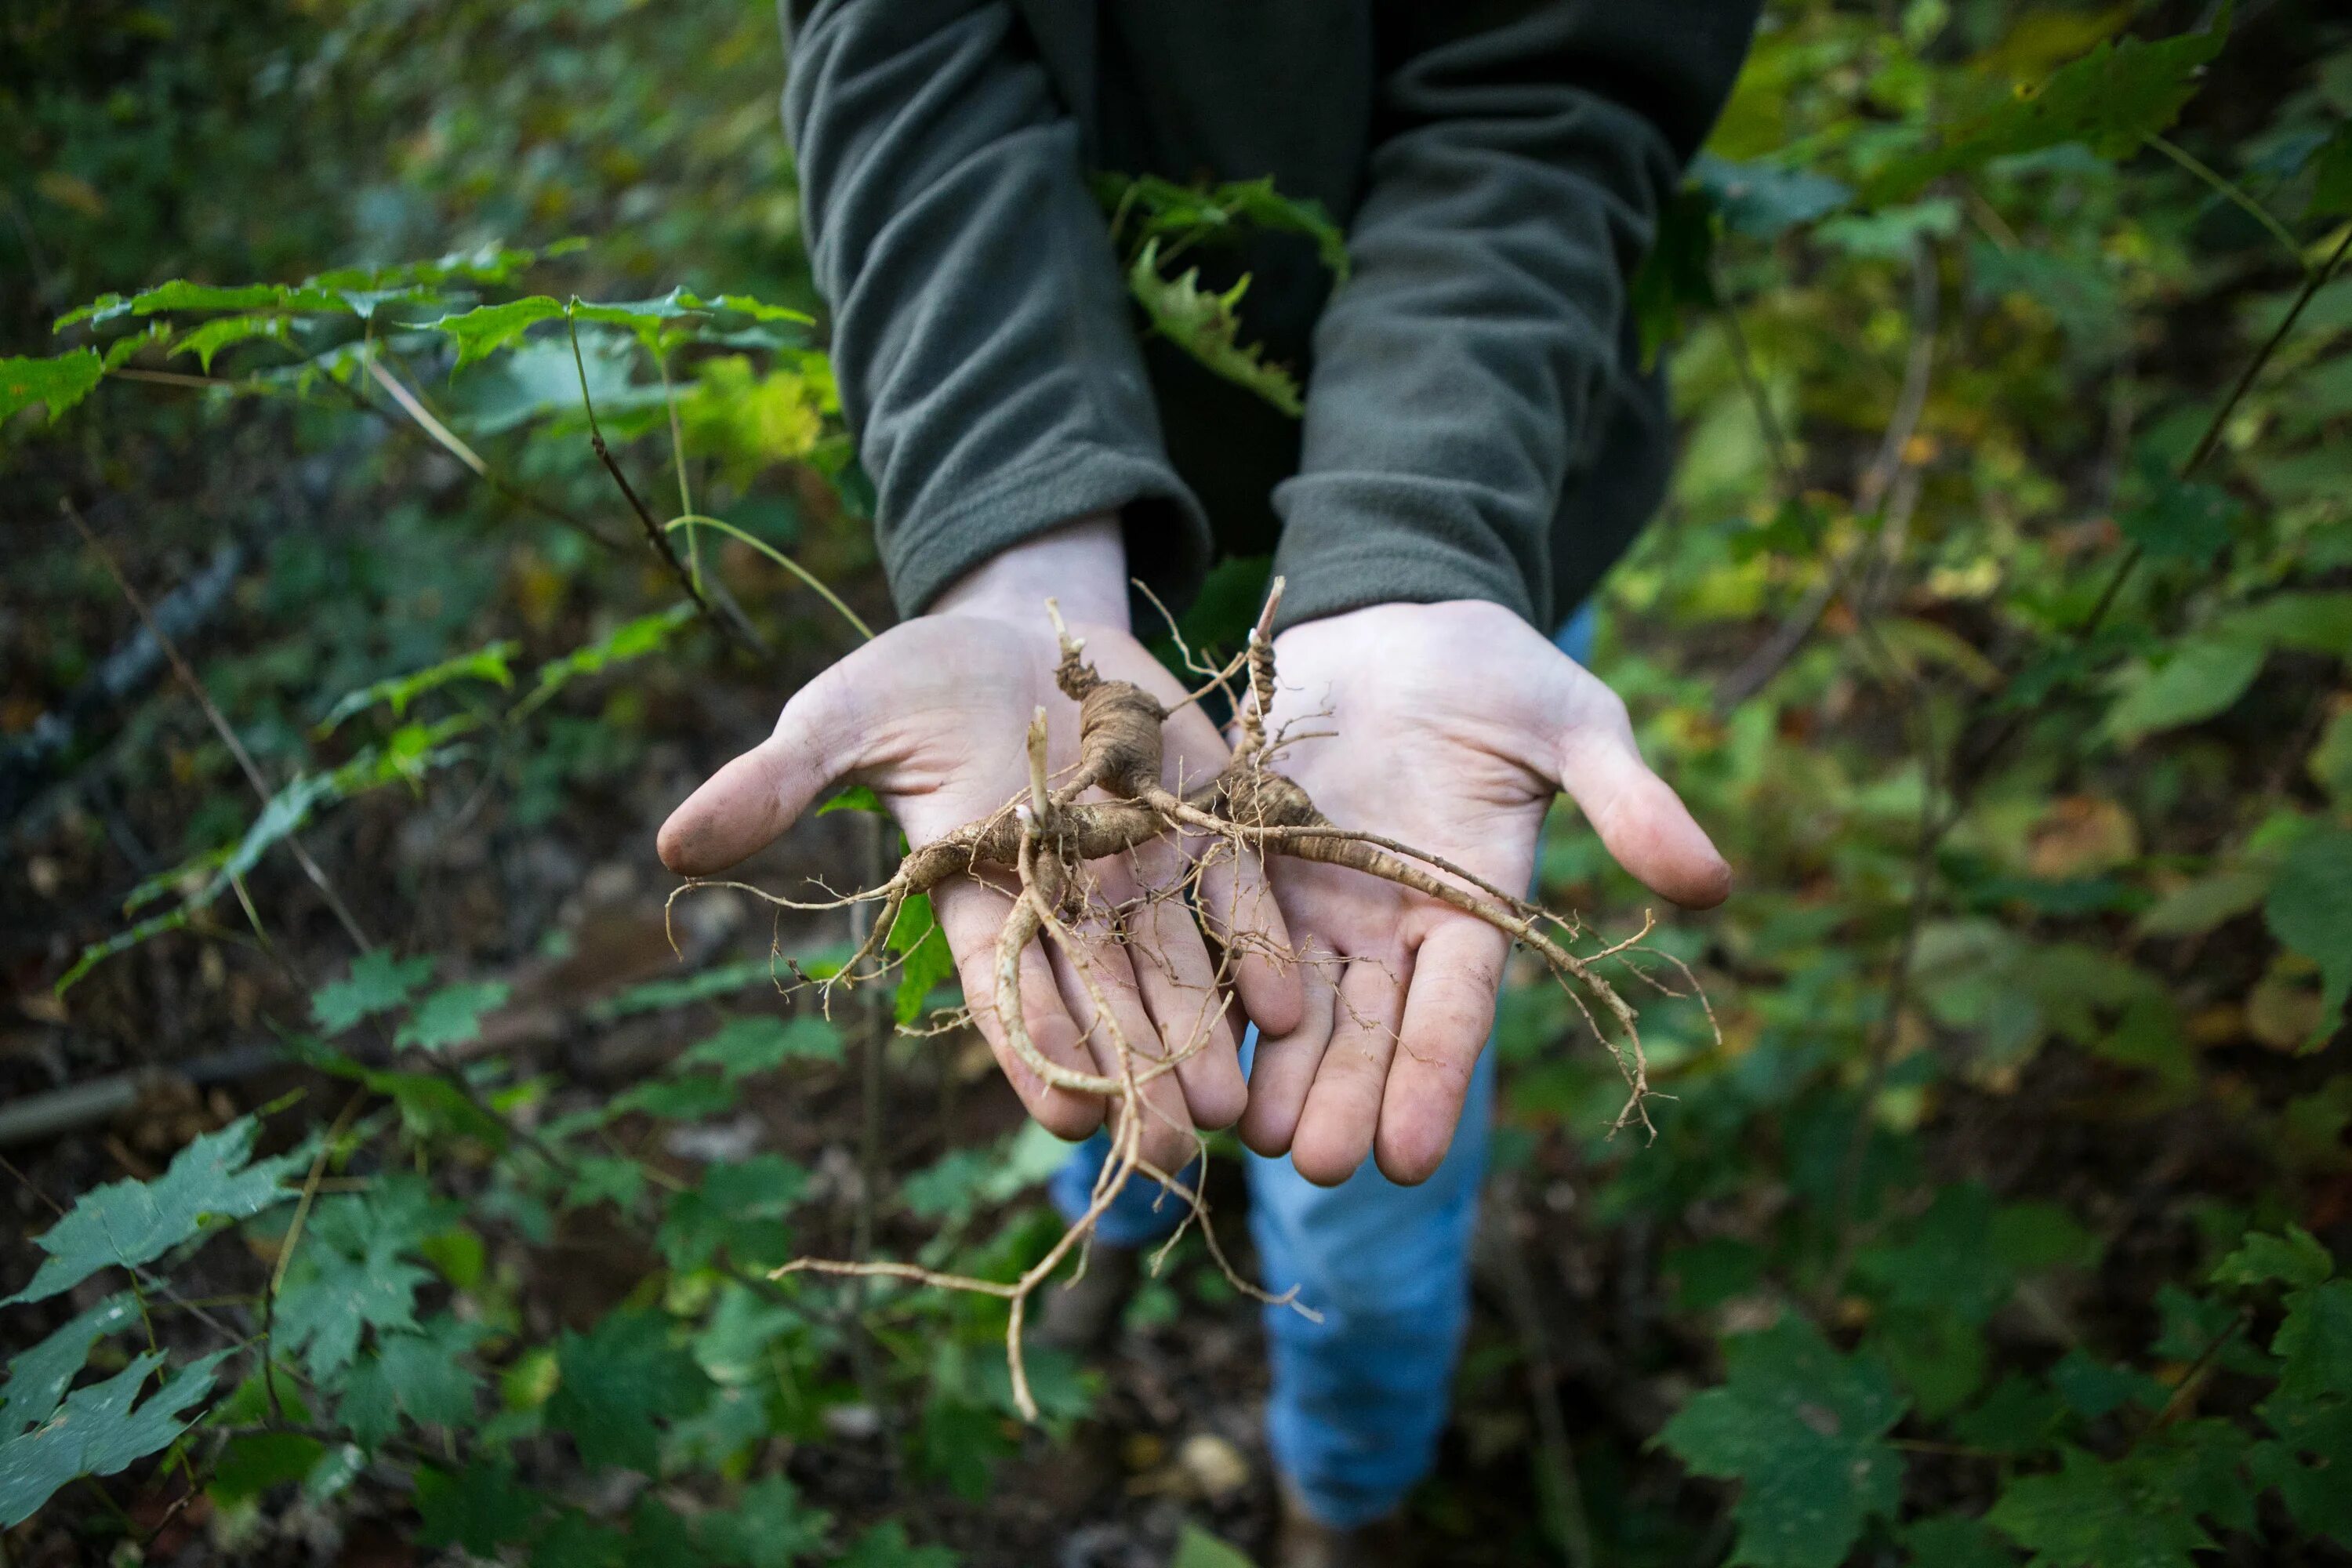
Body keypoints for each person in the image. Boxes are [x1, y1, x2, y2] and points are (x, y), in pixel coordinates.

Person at [659, 3, 1755, 1562]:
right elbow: (899, 47)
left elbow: (1551, 89)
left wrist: (1411, 541)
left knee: (1364, 1177)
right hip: (1080, 575)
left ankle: (1343, 1493)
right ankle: (1115, 1218)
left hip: (1455, 576)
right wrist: (1012, 539)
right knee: (1098, 979)